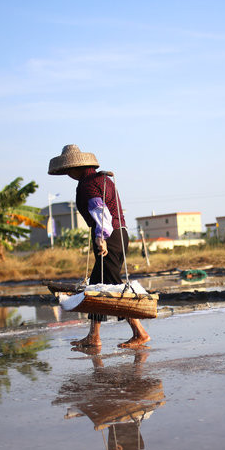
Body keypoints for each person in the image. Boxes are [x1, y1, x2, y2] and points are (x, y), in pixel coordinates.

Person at [48, 144, 150, 348]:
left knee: (112, 284)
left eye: (68, 170)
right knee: (96, 284)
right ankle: (93, 336)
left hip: (109, 237)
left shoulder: (88, 184)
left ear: (76, 168)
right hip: (120, 234)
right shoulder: (103, 179)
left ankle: (140, 333)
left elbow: (101, 212)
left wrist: (101, 238)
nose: (68, 174)